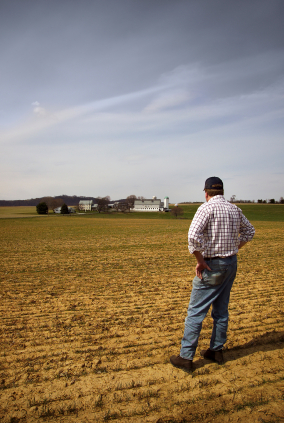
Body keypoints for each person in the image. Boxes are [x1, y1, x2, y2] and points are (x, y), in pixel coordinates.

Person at [170, 177, 255, 372]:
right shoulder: (235, 209)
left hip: (211, 266)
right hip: (230, 263)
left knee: (196, 312)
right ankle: (216, 351)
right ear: (222, 192)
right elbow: (250, 232)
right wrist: (235, 248)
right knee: (221, 310)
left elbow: (192, 236)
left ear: (206, 192)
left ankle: (186, 357)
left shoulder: (206, 208)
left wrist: (200, 260)